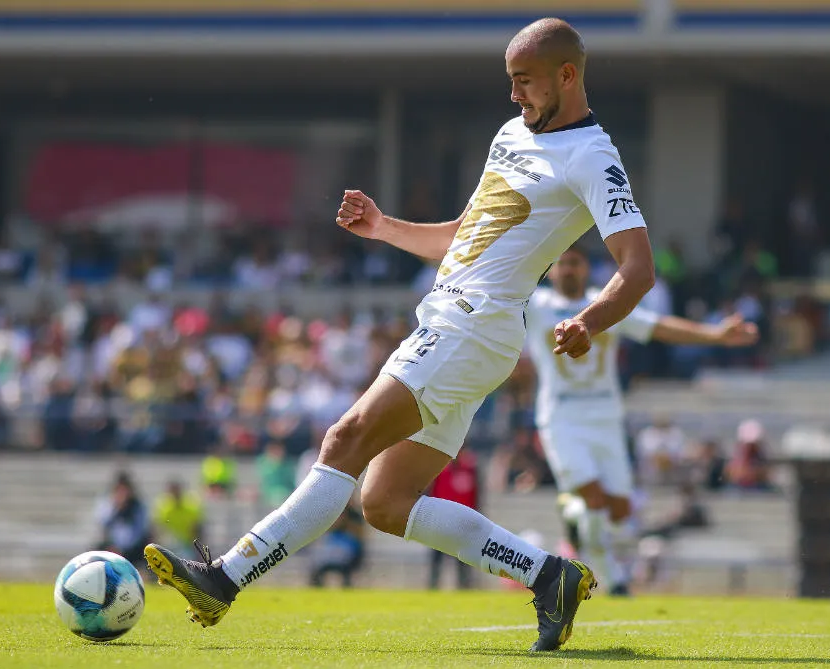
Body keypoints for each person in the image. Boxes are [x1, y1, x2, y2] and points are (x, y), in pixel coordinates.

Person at [145, 18, 656, 652]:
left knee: (345, 438)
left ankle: (224, 578)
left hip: (473, 325)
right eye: (511, 81)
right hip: (458, 324)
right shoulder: (511, 134)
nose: (514, 93)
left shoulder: (593, 156)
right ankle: (550, 576)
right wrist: (384, 227)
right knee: (385, 502)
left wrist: (589, 320)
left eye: (524, 81)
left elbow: (638, 268)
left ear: (567, 75)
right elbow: (465, 235)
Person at [525, 245, 758, 594]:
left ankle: (574, 514)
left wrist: (716, 335)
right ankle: (613, 581)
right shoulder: (535, 305)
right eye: (562, 263)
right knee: (594, 500)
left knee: (620, 514)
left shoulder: (606, 305)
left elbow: (658, 327)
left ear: (586, 268)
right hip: (561, 417)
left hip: (605, 418)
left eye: (576, 262)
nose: (569, 269)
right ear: (551, 270)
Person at [427, 448, 481, 590]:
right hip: (441, 520)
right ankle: (433, 586)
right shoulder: (440, 469)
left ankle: (464, 586)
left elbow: (476, 495)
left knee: (463, 558)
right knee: (437, 557)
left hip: (463, 521)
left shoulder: (470, 468)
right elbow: (432, 492)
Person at [95, 471, 152, 573]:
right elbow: (104, 523)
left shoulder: (137, 506)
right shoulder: (109, 504)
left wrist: (124, 549)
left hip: (133, 548)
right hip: (112, 545)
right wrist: (116, 508)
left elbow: (139, 530)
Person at [152, 480, 205, 557]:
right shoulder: (163, 507)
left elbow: (196, 529)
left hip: (187, 546)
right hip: (168, 546)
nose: (175, 495)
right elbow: (159, 529)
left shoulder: (191, 506)